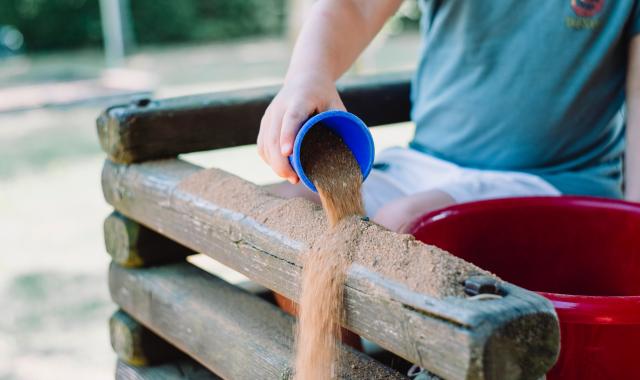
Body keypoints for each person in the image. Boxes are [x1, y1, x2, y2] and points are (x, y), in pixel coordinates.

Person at [258, 0, 640, 232]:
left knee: (404, 222)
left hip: (553, 179)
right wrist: (308, 75)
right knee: (287, 209)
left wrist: (632, 223)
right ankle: (341, 363)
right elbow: (355, 7)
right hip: (426, 163)